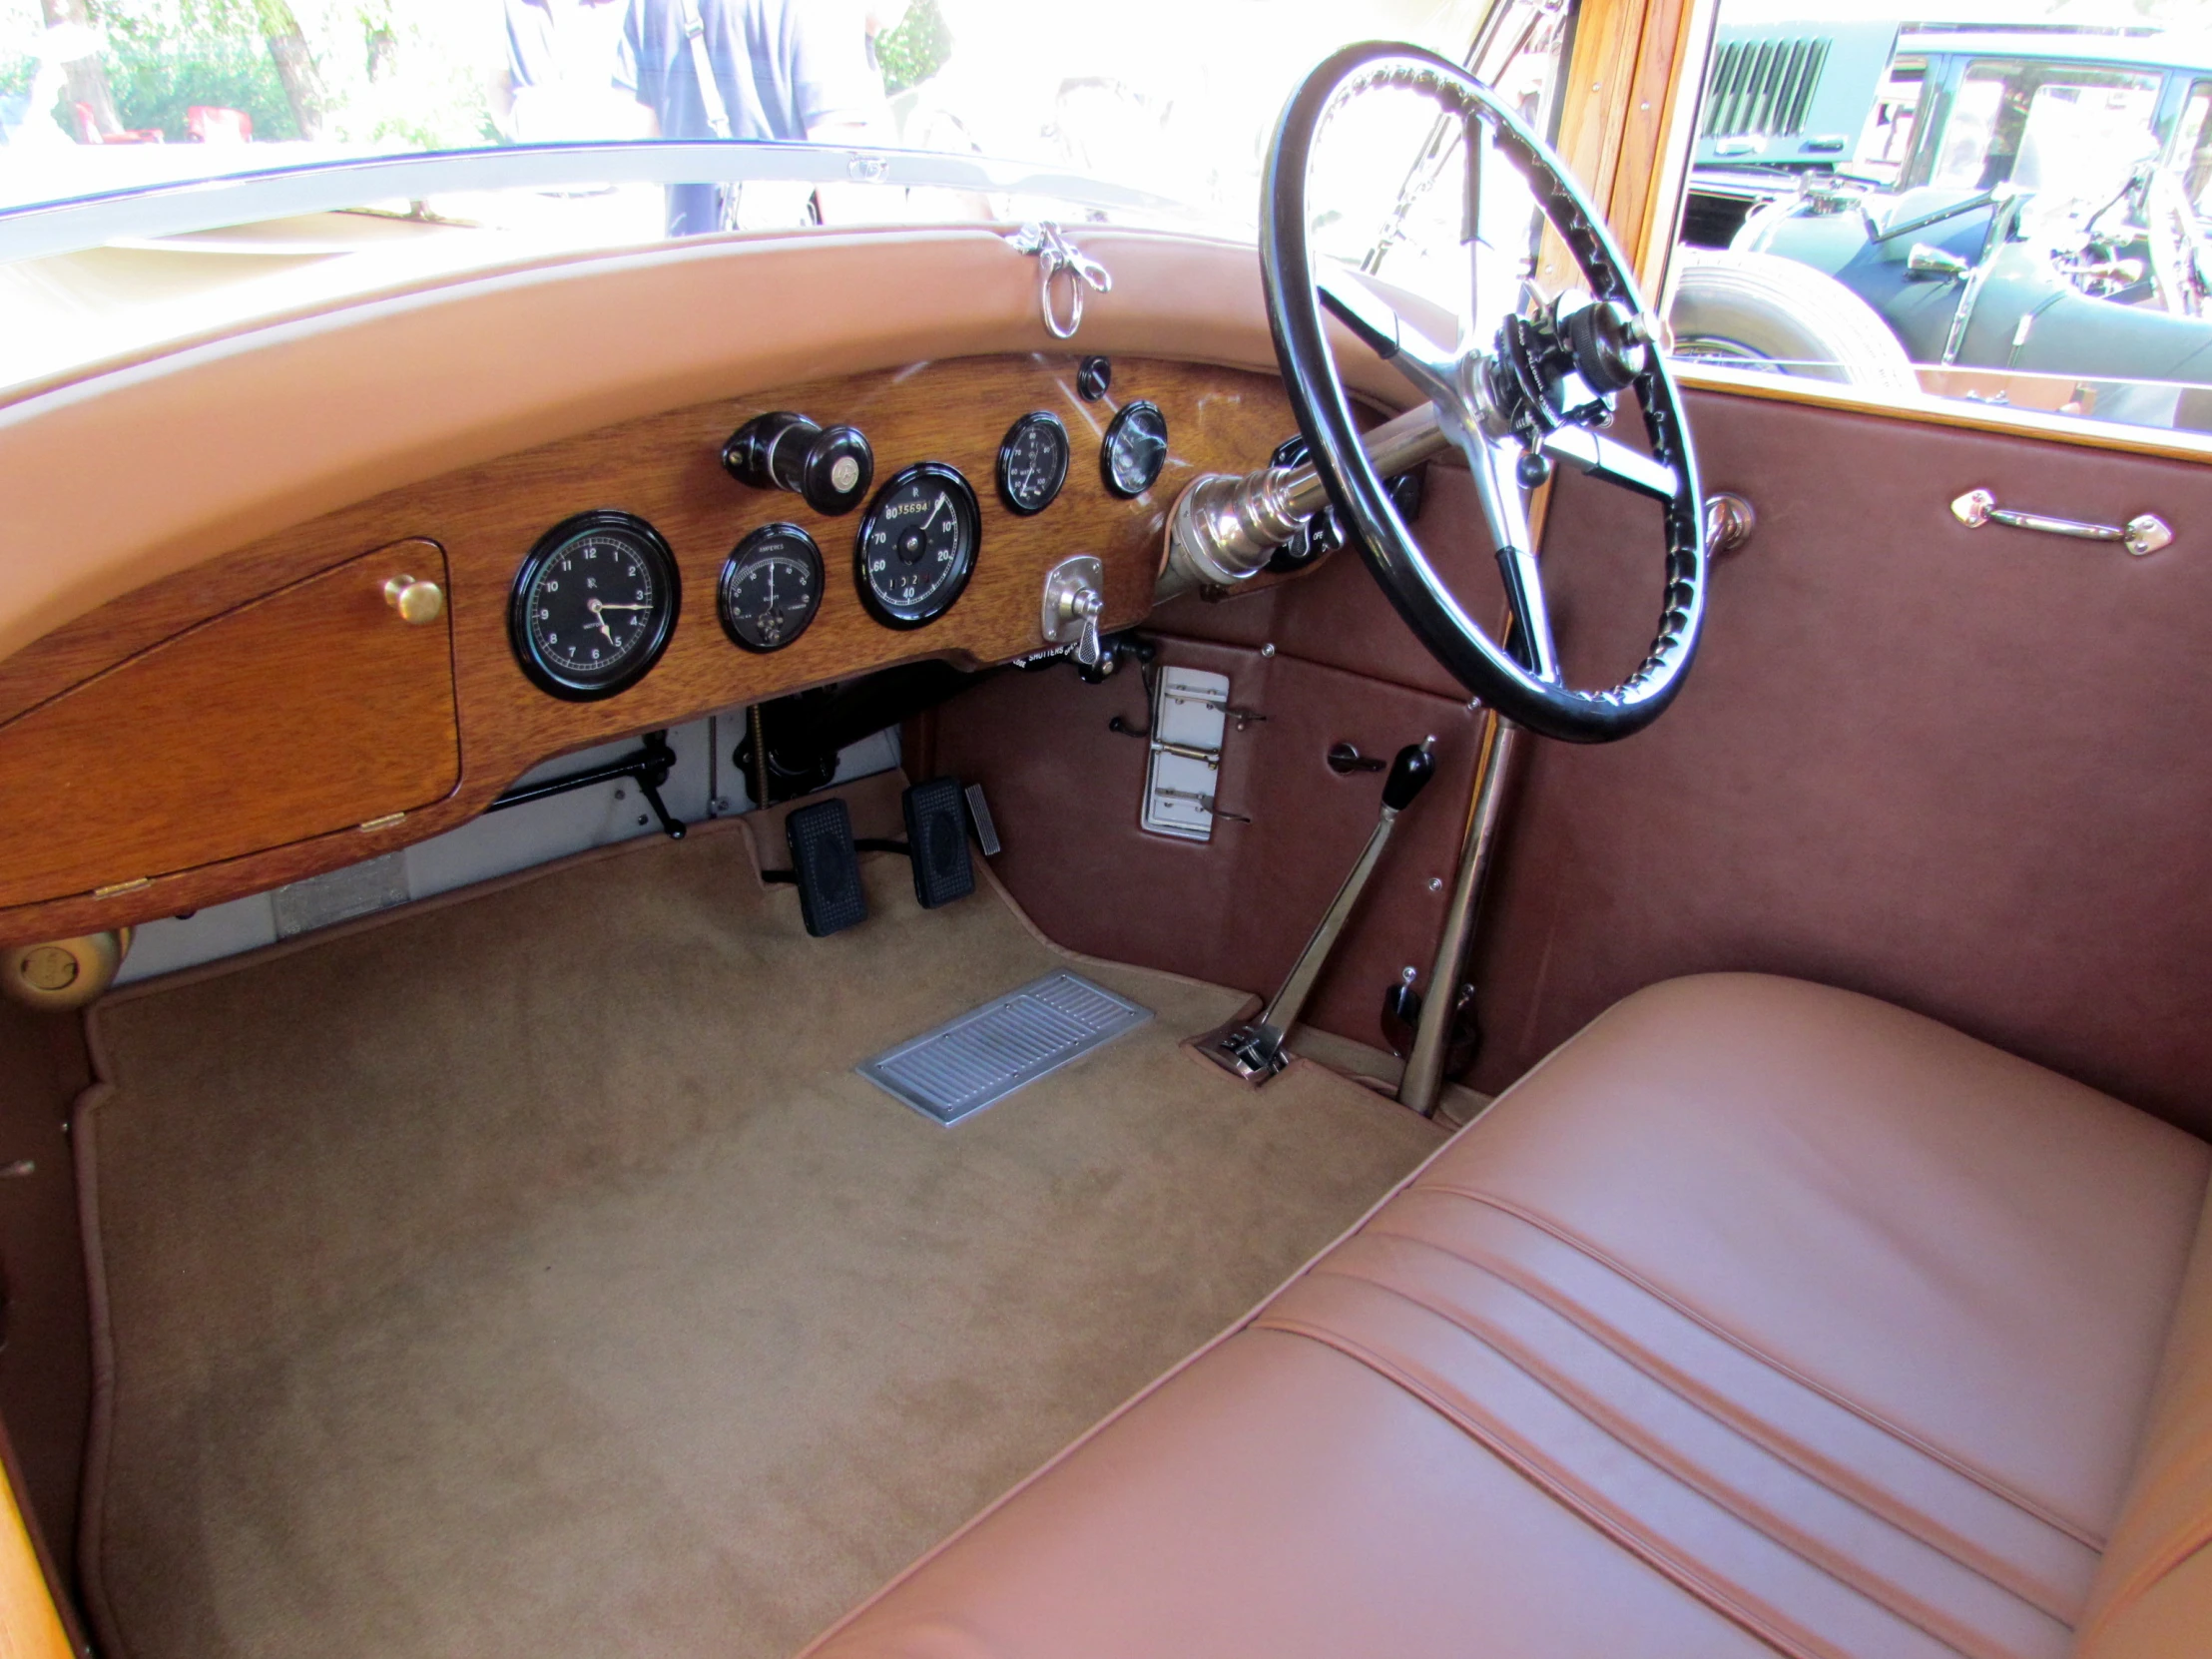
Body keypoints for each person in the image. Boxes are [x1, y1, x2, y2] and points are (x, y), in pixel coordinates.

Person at [616, 0, 889, 234]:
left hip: (686, 270)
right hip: (785, 278)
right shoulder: (823, 9)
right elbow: (846, 190)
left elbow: (632, 163)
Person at [501, 0, 651, 142]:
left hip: (612, 155)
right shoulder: (517, 5)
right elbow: (496, 81)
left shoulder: (632, 6)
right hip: (530, 157)